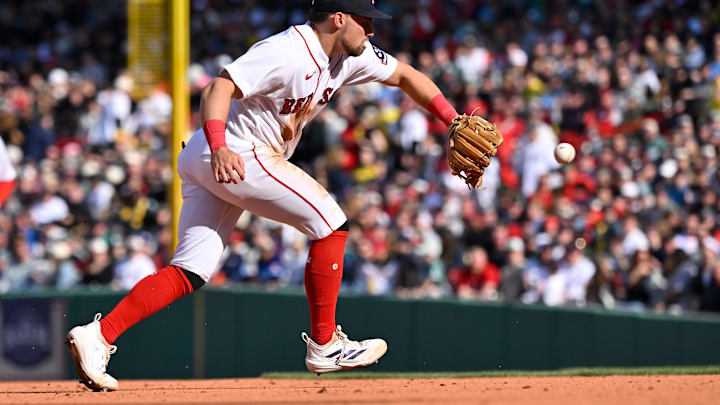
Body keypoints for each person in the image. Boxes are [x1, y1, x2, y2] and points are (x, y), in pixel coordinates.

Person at [65, 0, 463, 391]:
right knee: (331, 224)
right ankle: (324, 345)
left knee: (191, 269)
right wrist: (221, 146)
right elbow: (219, 86)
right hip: (235, 151)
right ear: (339, 18)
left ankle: (98, 335)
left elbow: (407, 76)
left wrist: (453, 119)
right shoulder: (287, 51)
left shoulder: (350, 56)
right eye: (365, 20)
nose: (372, 30)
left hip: (211, 155)